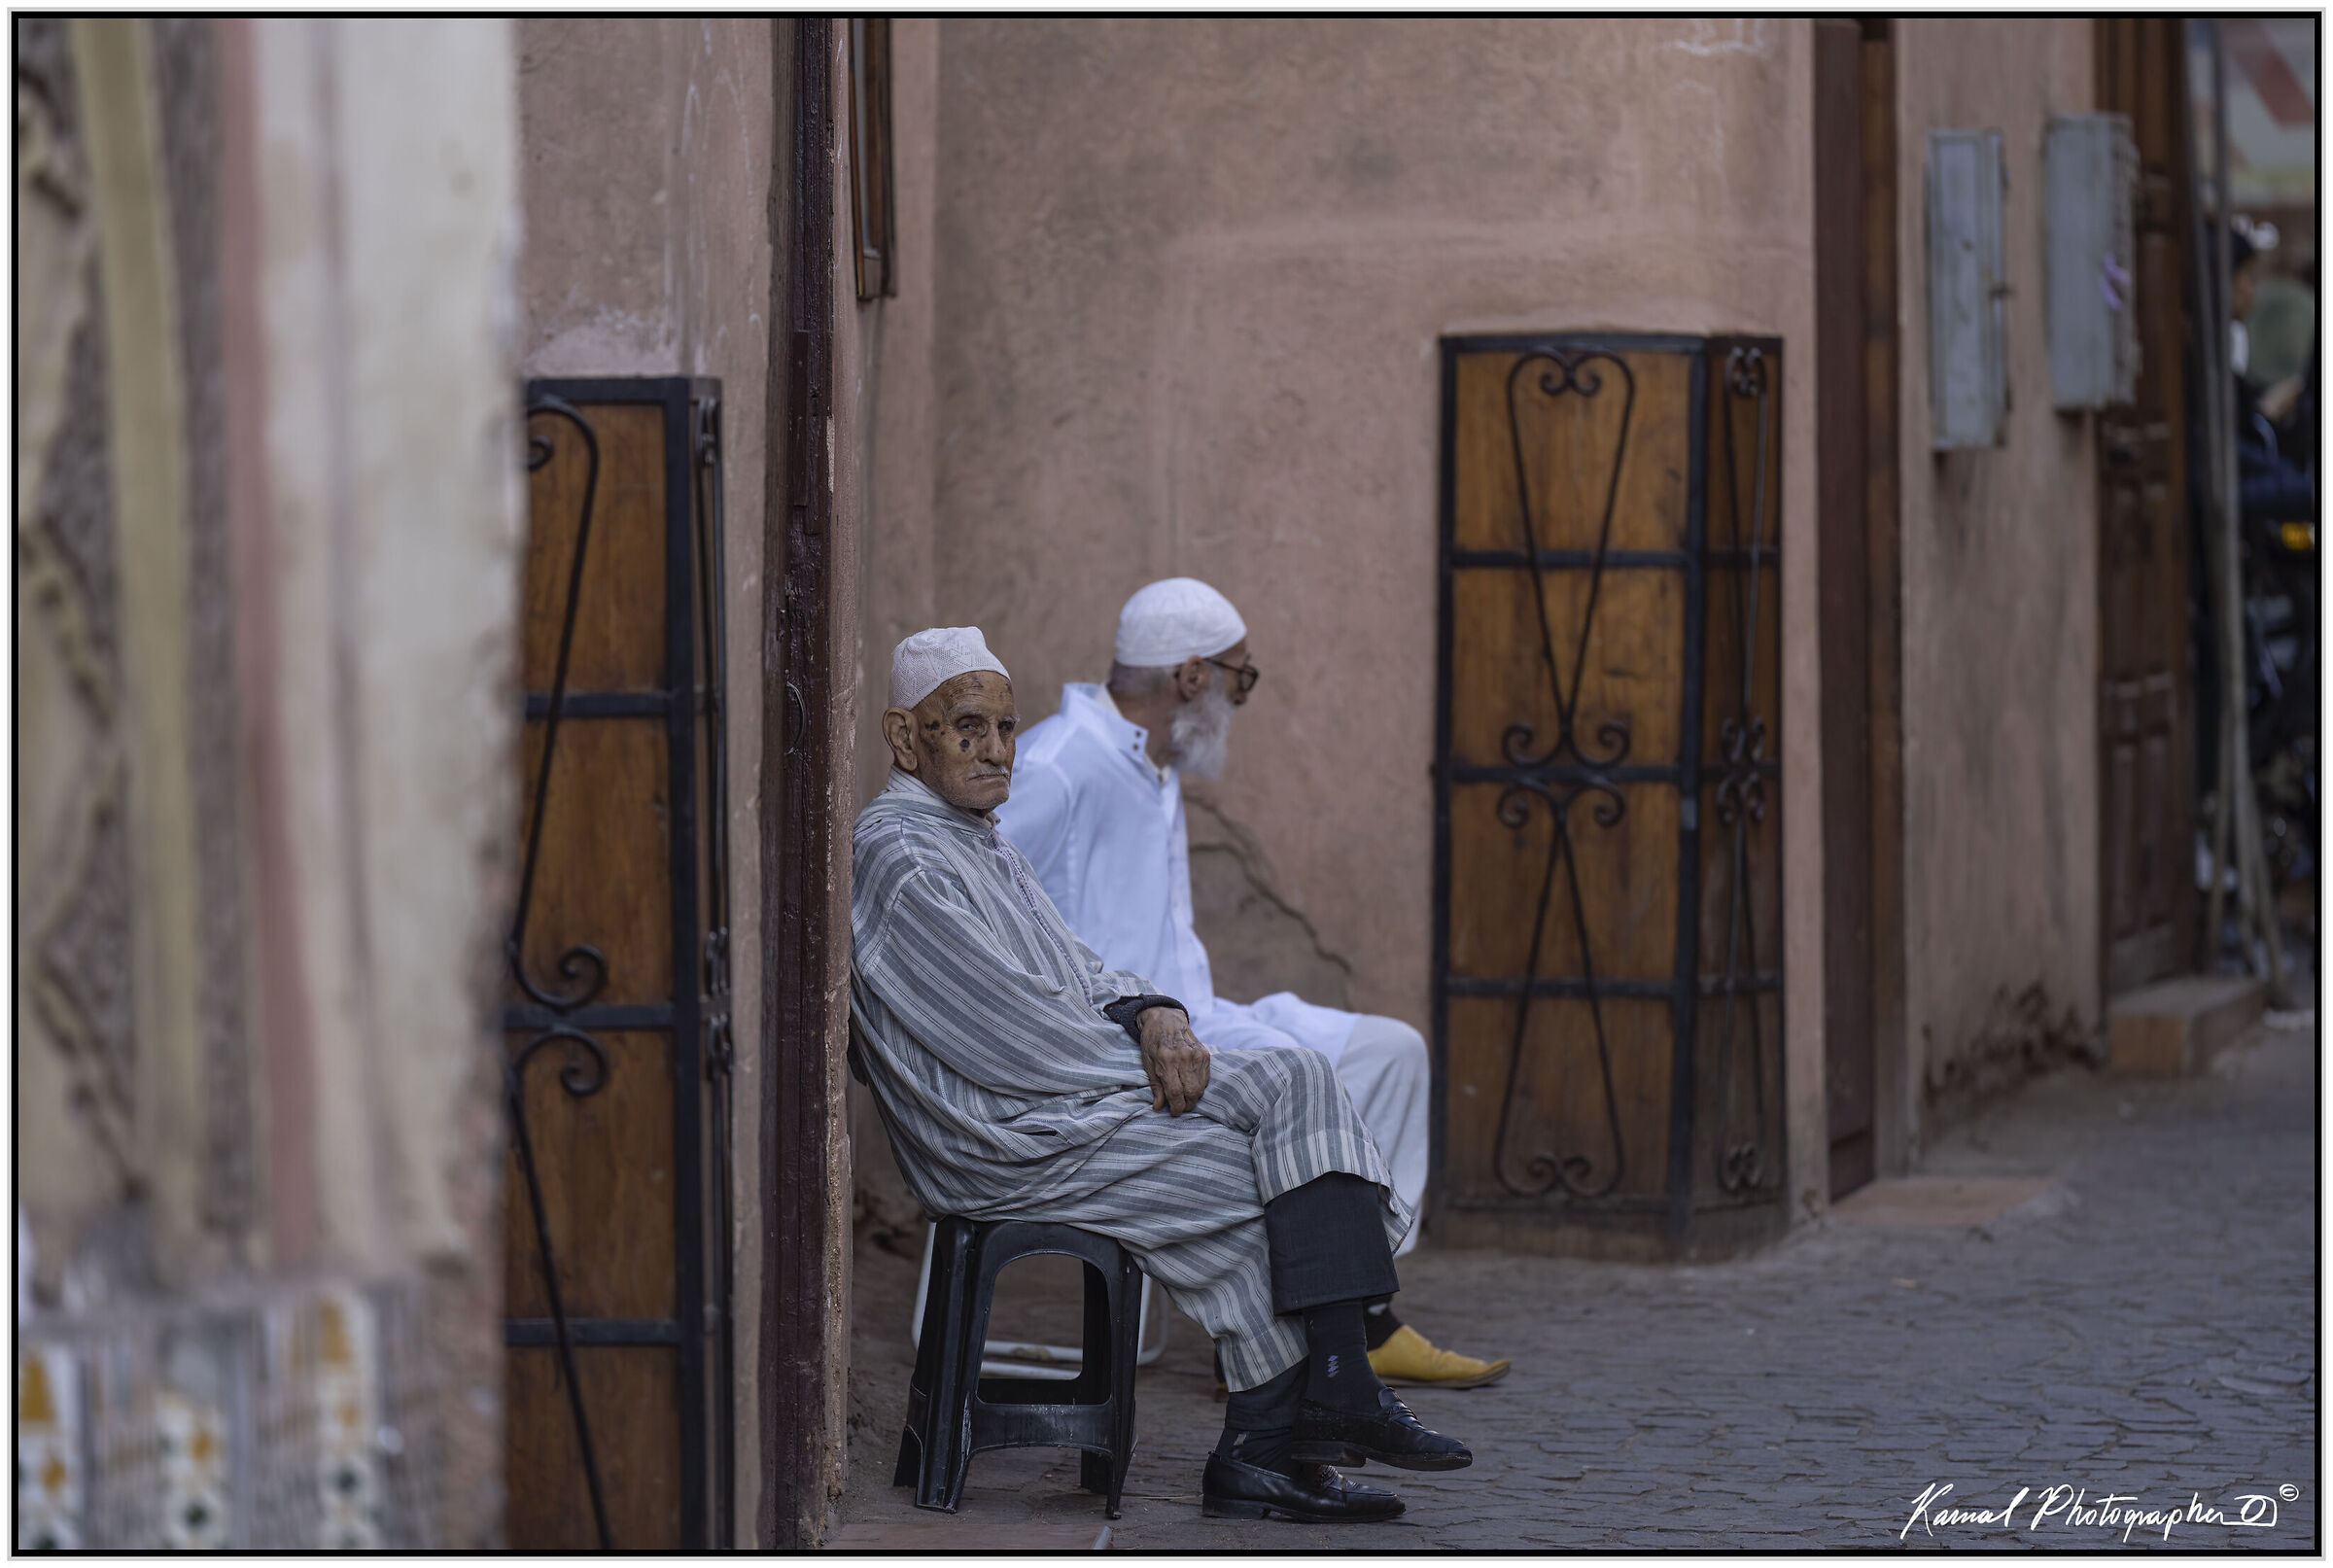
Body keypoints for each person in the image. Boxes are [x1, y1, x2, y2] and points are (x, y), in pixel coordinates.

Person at [850, 627, 1476, 1525]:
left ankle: (1311, 1411)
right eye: (967, 729)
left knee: (1292, 1094)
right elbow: (1015, 1043)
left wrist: (1153, 1012)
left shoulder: (974, 837)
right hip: (997, 1130)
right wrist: (1146, 1062)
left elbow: (1081, 968)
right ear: (906, 737)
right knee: (1261, 1165)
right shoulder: (907, 856)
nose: (995, 750)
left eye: (1005, 727)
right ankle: (1286, 1431)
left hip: (1054, 1096)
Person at [993, 579, 1510, 1390]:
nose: (1241, 696)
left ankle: (1357, 1302)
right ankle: (1344, 1328)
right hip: (1121, 1038)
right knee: (1306, 1078)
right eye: (1241, 677)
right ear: (1193, 677)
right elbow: (974, 898)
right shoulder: (1061, 764)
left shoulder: (1152, 767)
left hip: (1198, 1011)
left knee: (1390, 1052)